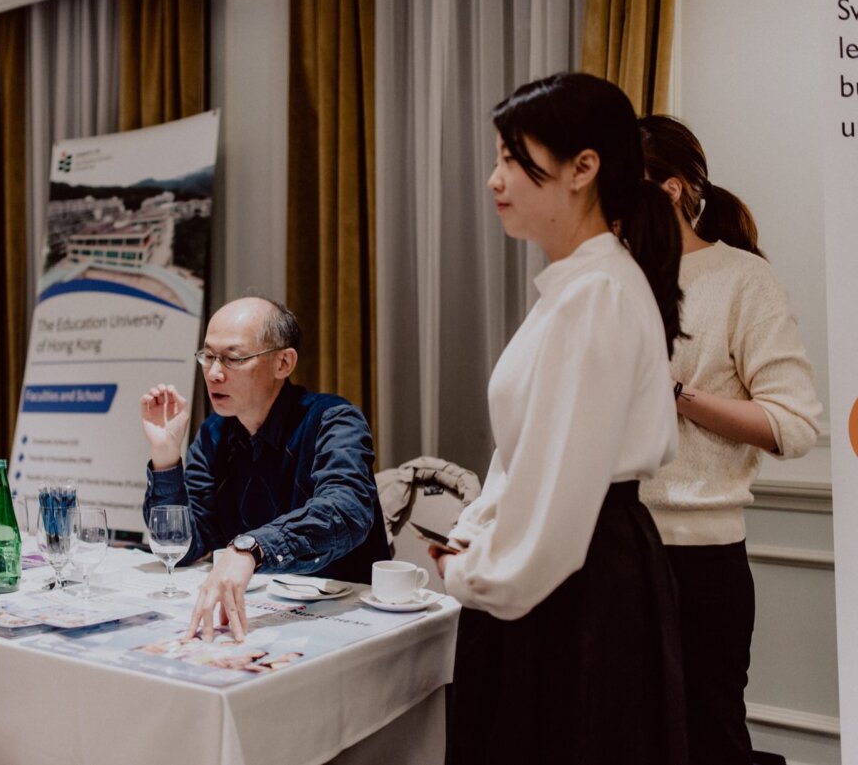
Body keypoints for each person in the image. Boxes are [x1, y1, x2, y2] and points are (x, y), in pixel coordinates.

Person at [428, 73, 688, 764]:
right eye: (497, 158)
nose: (494, 179)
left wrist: (472, 572)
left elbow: (557, 492)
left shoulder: (595, 292)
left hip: (574, 582)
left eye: (513, 157)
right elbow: (524, 461)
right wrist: (477, 536)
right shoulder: (583, 284)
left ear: (583, 168)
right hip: (582, 566)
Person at [638, 115, 821, 765]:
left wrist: (680, 396)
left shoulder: (744, 280)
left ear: (670, 192)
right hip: (606, 550)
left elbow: (793, 425)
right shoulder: (610, 284)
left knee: (707, 740)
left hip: (699, 558)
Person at [140, 296, 389, 642]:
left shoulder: (333, 419)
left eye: (233, 358)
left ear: (283, 363)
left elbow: (346, 511)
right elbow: (184, 546)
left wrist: (252, 548)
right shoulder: (214, 433)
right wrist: (166, 456)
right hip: (257, 616)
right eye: (208, 356)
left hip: (346, 622)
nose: (213, 372)